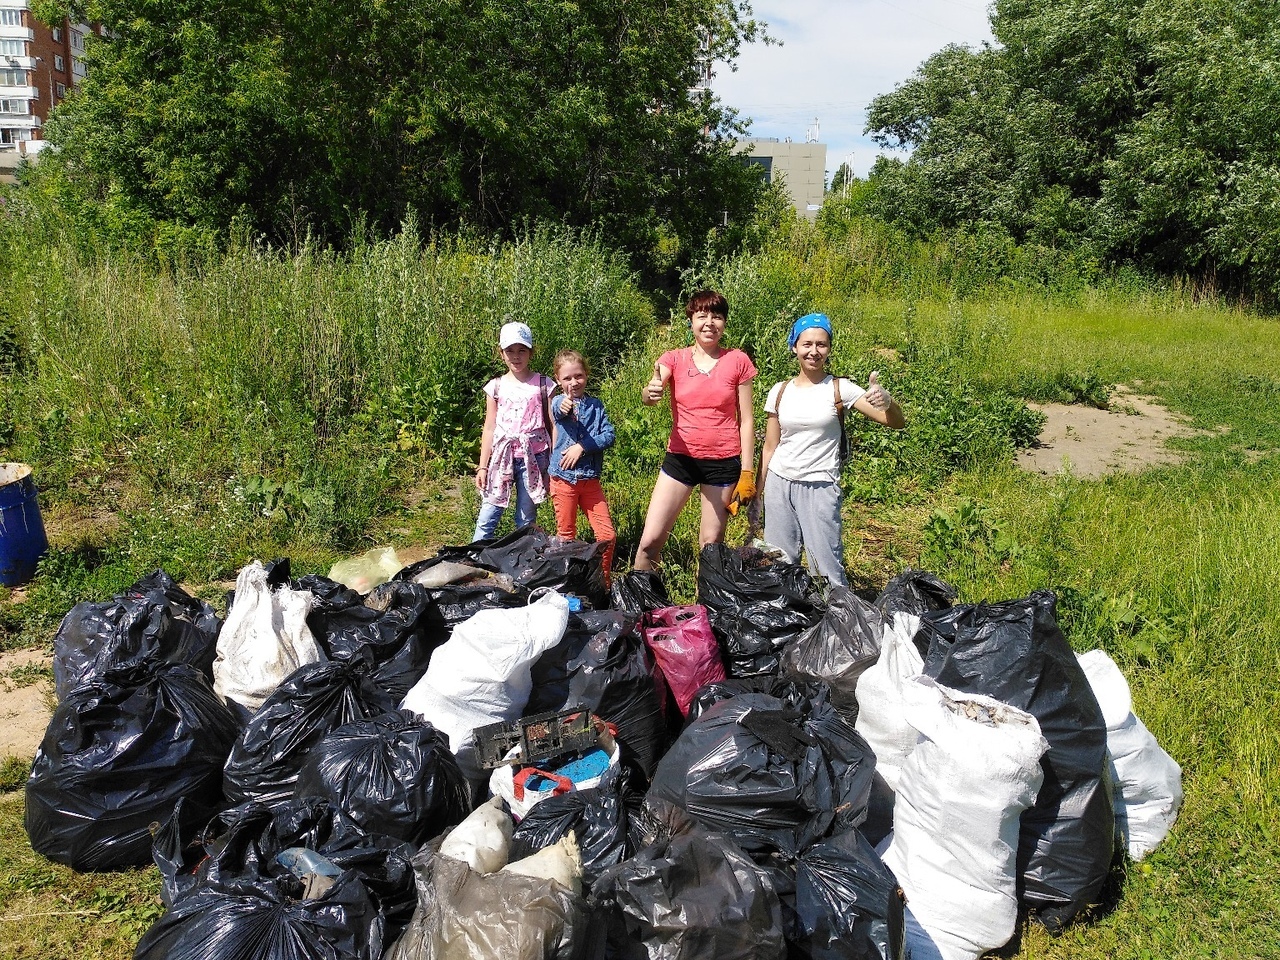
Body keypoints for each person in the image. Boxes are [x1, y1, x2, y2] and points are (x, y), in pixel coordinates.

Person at [756, 312, 905, 587]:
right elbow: (769, 447)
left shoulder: (841, 389)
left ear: (829, 349)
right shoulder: (779, 390)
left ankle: (838, 622)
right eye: (807, 344)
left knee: (824, 567)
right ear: (794, 347)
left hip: (820, 485)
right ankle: (787, 622)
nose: (814, 351)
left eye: (821, 344)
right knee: (778, 564)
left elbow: (895, 422)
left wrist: (888, 401)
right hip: (779, 484)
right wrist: (758, 495)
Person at [634, 290, 757, 570]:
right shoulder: (674, 359)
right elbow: (652, 390)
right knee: (650, 541)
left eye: (717, 316)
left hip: (723, 464)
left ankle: (707, 609)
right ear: (691, 321)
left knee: (711, 544)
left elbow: (746, 420)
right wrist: (649, 393)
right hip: (681, 459)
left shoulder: (738, 361)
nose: (709, 323)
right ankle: (638, 606)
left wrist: (747, 471)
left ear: (724, 323)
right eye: (702, 316)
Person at [473, 321, 555, 541]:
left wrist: (554, 461)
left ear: (531, 352)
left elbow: (554, 424)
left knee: (526, 518)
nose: (516, 356)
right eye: (510, 351)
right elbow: (489, 427)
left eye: (522, 351)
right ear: (501, 353)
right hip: (502, 458)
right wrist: (483, 466)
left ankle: (524, 562)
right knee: (488, 515)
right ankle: (473, 559)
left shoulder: (544, 384)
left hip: (534, 459)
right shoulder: (496, 387)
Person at [548, 349, 618, 586]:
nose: (573, 382)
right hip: (563, 479)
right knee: (566, 536)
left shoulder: (596, 406)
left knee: (607, 535)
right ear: (558, 380)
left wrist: (583, 446)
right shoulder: (559, 401)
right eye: (567, 378)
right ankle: (567, 585)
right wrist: (564, 404)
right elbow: (559, 410)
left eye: (578, 376)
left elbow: (609, 435)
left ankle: (603, 583)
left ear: (586, 376)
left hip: (590, 481)